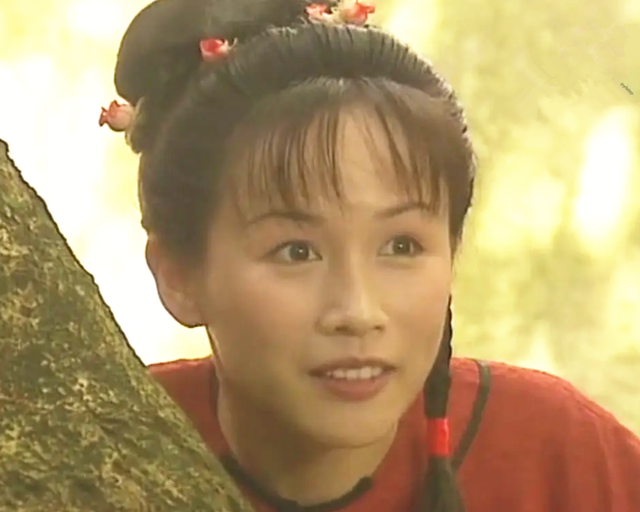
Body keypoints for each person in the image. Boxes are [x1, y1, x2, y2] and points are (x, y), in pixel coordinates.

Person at [100, 0, 640, 510]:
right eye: (296, 252)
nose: (358, 311)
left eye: (401, 246)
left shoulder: (561, 456)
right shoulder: (103, 443)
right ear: (179, 276)